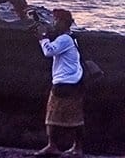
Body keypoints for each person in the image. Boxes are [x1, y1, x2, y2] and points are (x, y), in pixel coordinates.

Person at [34, 9, 85, 158]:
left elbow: (48, 52)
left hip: (65, 82)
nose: (53, 23)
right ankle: (75, 147)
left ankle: (56, 146)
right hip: (73, 81)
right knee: (73, 116)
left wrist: (42, 38)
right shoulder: (70, 38)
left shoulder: (64, 40)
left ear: (63, 22)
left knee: (53, 115)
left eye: (56, 20)